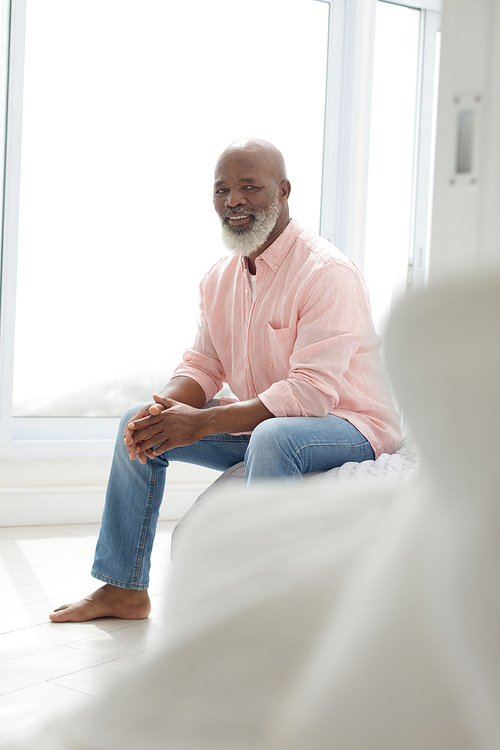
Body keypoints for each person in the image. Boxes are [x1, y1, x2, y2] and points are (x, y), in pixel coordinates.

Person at [49, 138, 401, 622]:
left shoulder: (327, 272)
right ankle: (122, 589)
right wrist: (168, 410)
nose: (233, 200)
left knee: (277, 438)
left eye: (249, 187)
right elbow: (202, 365)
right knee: (139, 421)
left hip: (350, 423)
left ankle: (255, 603)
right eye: (222, 190)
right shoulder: (219, 278)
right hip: (267, 422)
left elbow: (311, 393)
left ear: (283, 191)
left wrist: (200, 425)